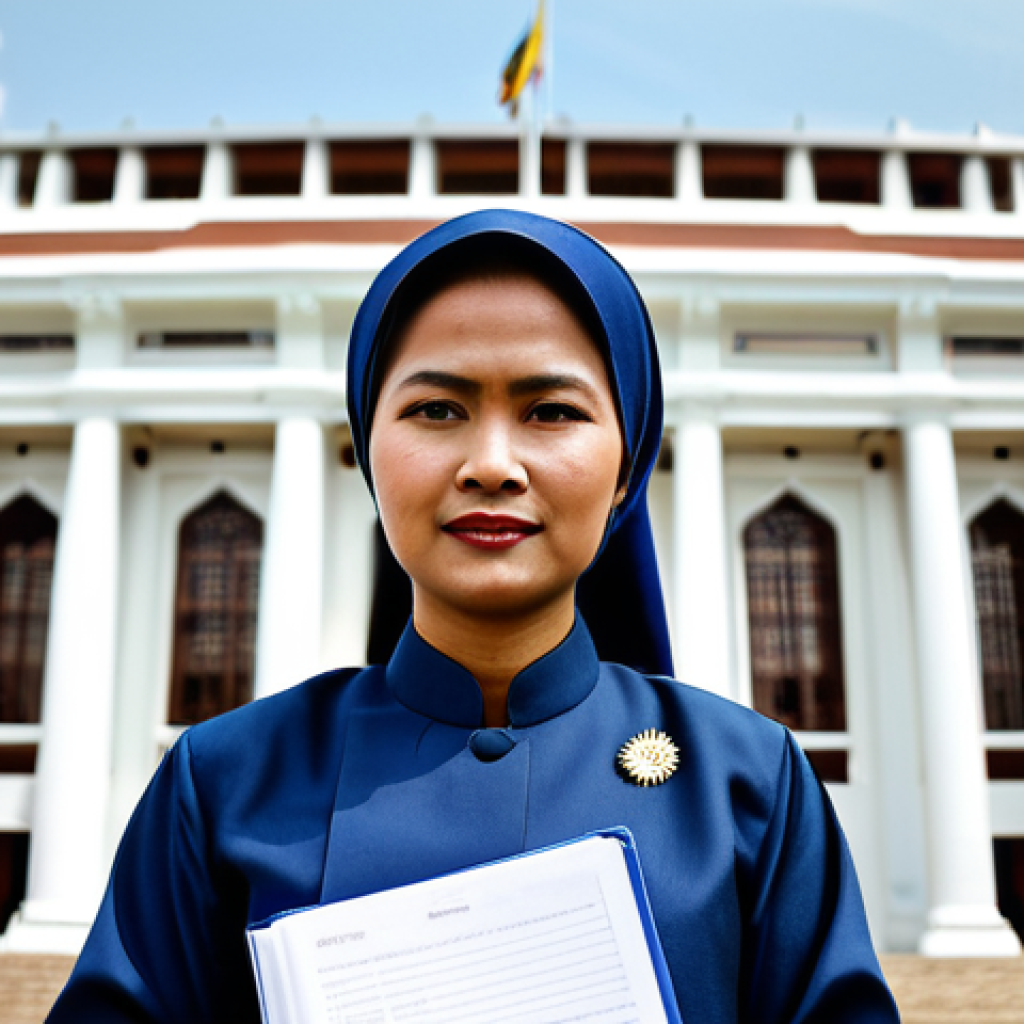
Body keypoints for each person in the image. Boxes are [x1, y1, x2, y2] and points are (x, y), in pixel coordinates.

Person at [48, 210, 899, 1023]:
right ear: (367, 452)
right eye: (436, 410)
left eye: (552, 411)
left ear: (628, 468)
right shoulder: (225, 782)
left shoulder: (749, 783)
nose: (491, 464)